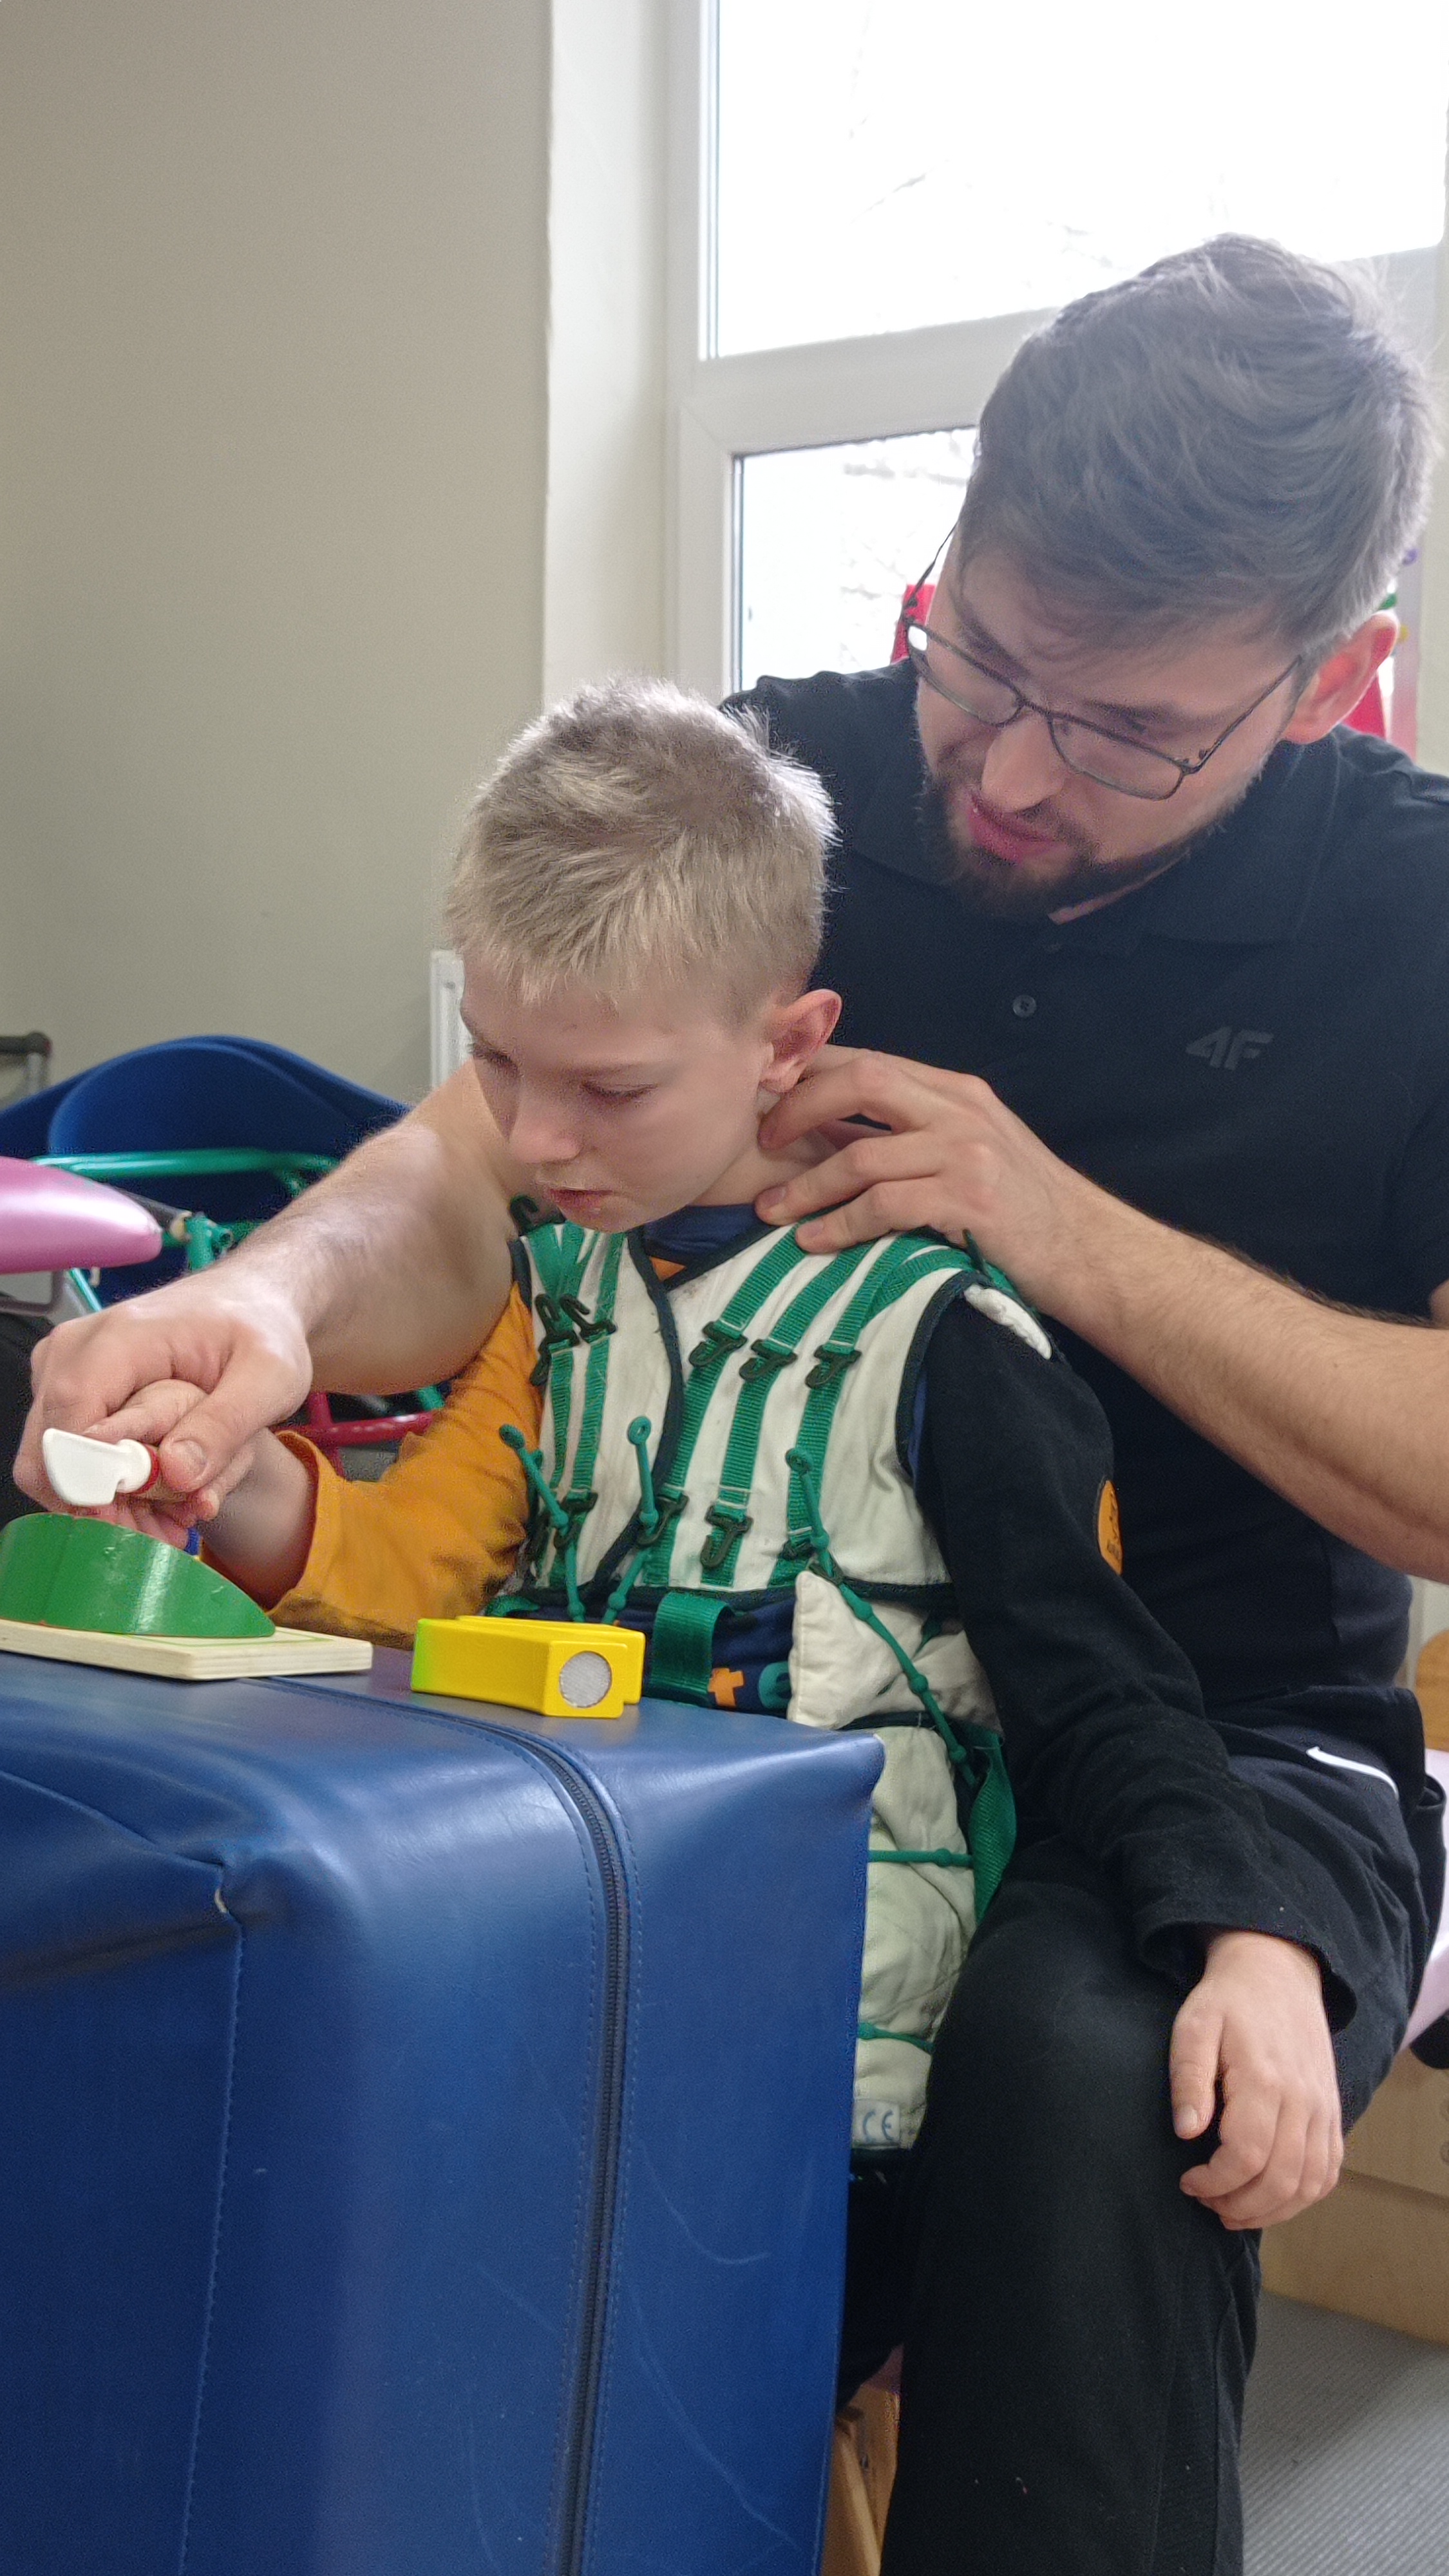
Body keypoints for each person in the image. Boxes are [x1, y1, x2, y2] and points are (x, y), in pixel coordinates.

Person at [15, 235, 1448, 2571]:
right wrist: (261, 1313)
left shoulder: (1415, 923)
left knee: (1086, 2077)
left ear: (1335, 679)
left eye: (1121, 731)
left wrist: (1058, 1232)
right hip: (736, 1690)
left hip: (1218, 1724)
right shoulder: (782, 796)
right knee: (417, 1987)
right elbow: (466, 1172)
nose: (1007, 771)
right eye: (977, 660)